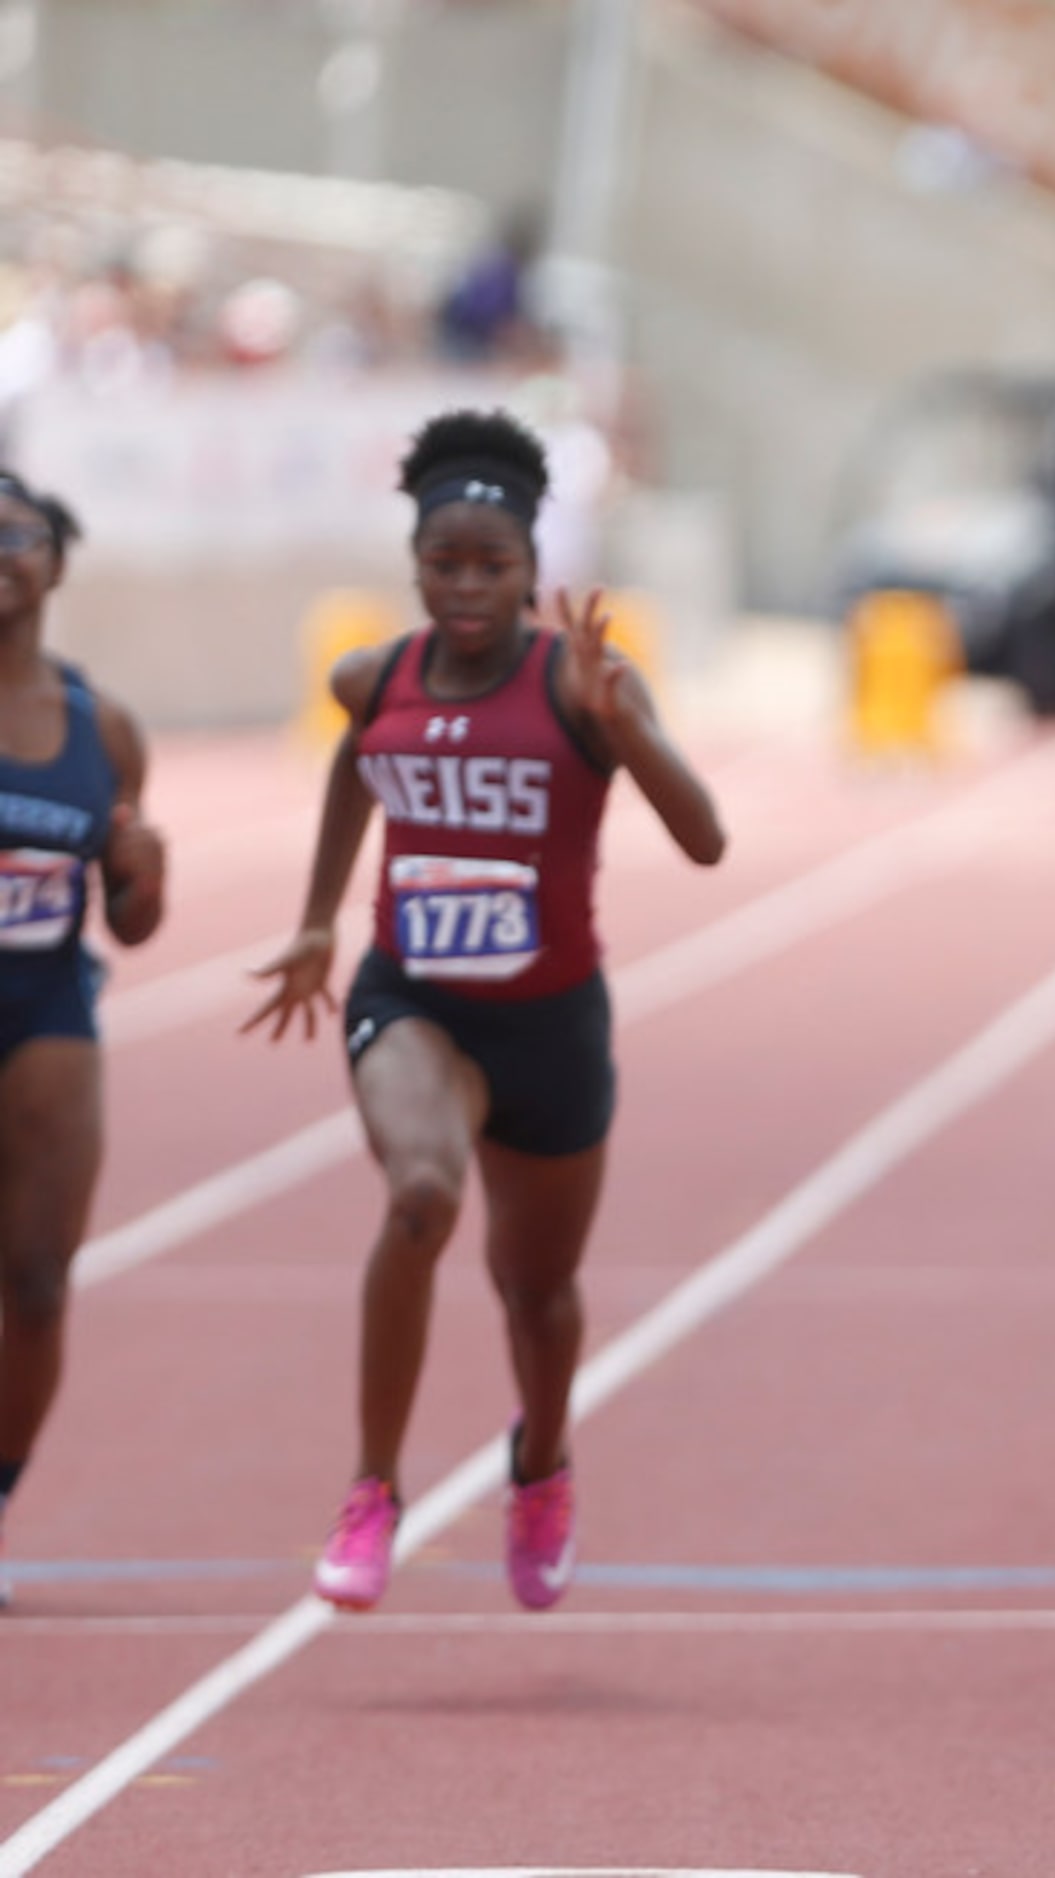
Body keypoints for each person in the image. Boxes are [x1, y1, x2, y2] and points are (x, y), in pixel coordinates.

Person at [246, 410, 726, 1614]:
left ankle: (541, 1466)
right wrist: (319, 917)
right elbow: (354, 765)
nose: (466, 588)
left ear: (532, 570)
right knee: (420, 1196)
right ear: (414, 561)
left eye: (492, 566)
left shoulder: (578, 682)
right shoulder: (376, 675)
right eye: (444, 563)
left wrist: (626, 731)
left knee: (538, 1293)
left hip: (552, 1021)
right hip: (413, 997)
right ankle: (373, 1490)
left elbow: (707, 841)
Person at [0, 474, 166, 1608]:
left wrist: (146, 875)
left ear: (56, 563)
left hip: (48, 1013)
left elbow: (134, 918)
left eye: (17, 537)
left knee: (38, 1282)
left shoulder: (100, 724)